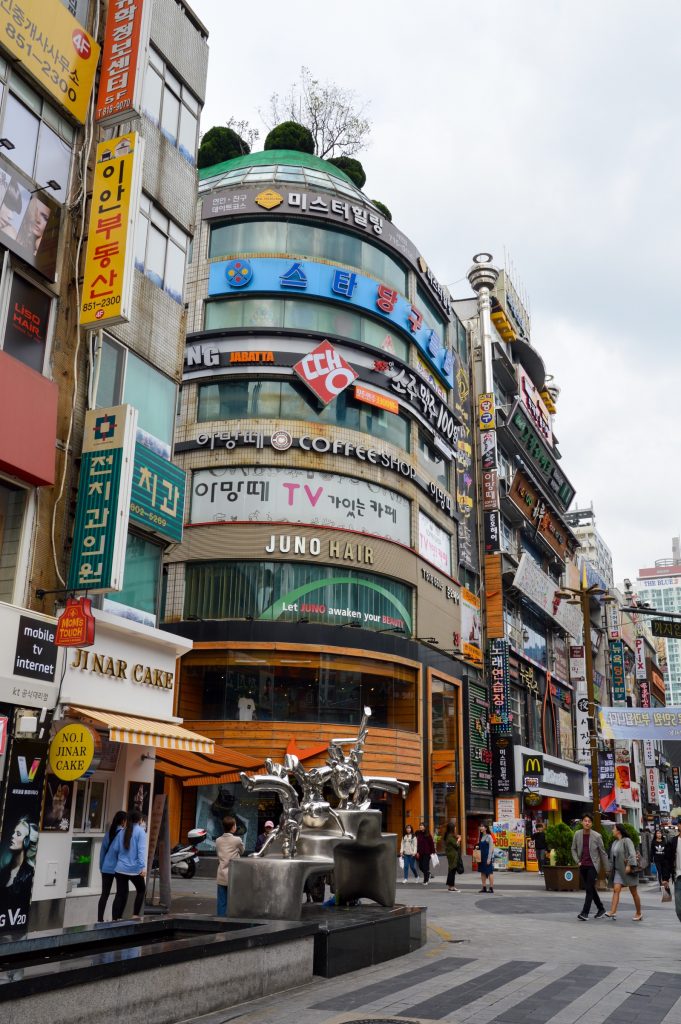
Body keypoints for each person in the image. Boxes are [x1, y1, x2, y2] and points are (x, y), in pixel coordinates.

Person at [571, 813, 609, 921]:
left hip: (593, 865)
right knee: (591, 888)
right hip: (582, 865)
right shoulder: (577, 834)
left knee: (588, 889)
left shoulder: (597, 836)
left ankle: (585, 913)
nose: (587, 823)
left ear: (591, 824)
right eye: (585, 821)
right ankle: (601, 909)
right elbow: (573, 849)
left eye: (589, 821)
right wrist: (577, 861)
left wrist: (607, 868)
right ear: (582, 822)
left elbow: (603, 853)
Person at [111, 810, 147, 921]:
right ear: (140, 820)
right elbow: (141, 851)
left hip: (120, 869)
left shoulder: (122, 831)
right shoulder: (141, 832)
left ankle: (116, 918)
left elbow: (116, 849)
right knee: (141, 890)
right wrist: (142, 867)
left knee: (120, 894)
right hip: (134, 869)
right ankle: (135, 914)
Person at [605, 823, 642, 921]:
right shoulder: (614, 843)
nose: (612, 830)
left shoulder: (627, 840)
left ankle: (638, 913)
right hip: (618, 870)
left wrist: (629, 865)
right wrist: (609, 868)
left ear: (618, 831)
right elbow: (612, 858)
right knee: (616, 889)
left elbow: (632, 853)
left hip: (628, 870)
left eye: (613, 829)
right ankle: (613, 911)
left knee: (634, 892)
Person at [98, 811, 126, 923]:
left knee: (104, 894)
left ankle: (100, 919)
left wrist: (101, 867)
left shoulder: (109, 832)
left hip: (106, 868)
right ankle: (116, 918)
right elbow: (121, 851)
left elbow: (102, 852)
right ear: (123, 821)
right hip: (118, 869)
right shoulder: (122, 833)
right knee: (120, 893)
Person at [0, 817, 37, 901]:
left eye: (18, 834)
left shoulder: (29, 874)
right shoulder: (4, 870)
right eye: (14, 832)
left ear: (26, 842)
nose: (12, 836)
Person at [215, 814, 244, 915]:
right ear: (233, 827)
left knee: (221, 901)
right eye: (235, 825)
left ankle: (220, 920)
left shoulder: (218, 840)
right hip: (233, 875)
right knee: (233, 900)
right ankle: (231, 919)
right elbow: (242, 850)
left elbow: (218, 853)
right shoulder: (237, 840)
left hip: (221, 874)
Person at [661, 819, 681, 920]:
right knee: (679, 909)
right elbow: (667, 861)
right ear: (679, 826)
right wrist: (665, 878)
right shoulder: (673, 842)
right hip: (678, 877)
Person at [415, 821, 435, 886]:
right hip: (420, 853)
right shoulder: (418, 834)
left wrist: (433, 852)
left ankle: (425, 880)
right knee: (421, 866)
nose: (420, 826)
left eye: (422, 825)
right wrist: (417, 852)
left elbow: (431, 844)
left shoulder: (428, 835)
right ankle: (428, 874)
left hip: (427, 853)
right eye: (420, 825)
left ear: (425, 827)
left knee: (425, 867)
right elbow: (417, 844)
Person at [444, 822, 462, 892]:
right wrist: (459, 840)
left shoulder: (449, 835)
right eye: (454, 827)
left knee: (451, 870)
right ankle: (452, 887)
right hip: (453, 855)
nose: (455, 828)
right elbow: (456, 845)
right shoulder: (450, 836)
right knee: (452, 870)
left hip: (450, 855)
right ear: (452, 828)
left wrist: (456, 837)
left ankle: (450, 886)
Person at [478, 824, 496, 893]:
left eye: (482, 826)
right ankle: (484, 887)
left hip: (487, 857)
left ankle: (491, 888)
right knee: (482, 872)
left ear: (486, 828)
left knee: (489, 872)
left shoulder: (489, 837)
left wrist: (489, 859)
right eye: (480, 826)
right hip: (481, 857)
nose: (481, 827)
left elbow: (491, 849)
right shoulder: (481, 836)